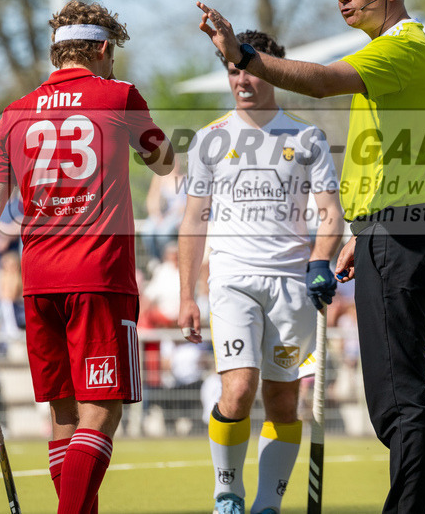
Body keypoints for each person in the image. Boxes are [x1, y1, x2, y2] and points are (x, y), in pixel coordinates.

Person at [197, 0, 425, 513]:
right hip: (393, 231)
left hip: (402, 234)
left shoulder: (400, 47)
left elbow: (315, 81)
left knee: (396, 399)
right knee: (401, 391)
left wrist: (242, 53)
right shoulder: (396, 52)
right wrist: (360, 236)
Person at [0, 0, 174, 514]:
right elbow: (162, 162)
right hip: (99, 276)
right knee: (102, 413)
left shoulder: (13, 114)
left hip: (38, 280)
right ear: (102, 48)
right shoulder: (119, 94)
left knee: (64, 418)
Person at [177, 30, 343, 514]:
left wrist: (320, 261)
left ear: (271, 69)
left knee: (282, 402)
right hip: (232, 280)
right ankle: (227, 495)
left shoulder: (306, 137)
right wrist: (188, 294)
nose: (242, 79)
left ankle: (267, 506)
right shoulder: (209, 140)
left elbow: (330, 213)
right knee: (239, 387)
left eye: (250, 68)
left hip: (292, 286)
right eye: (232, 69)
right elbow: (193, 220)